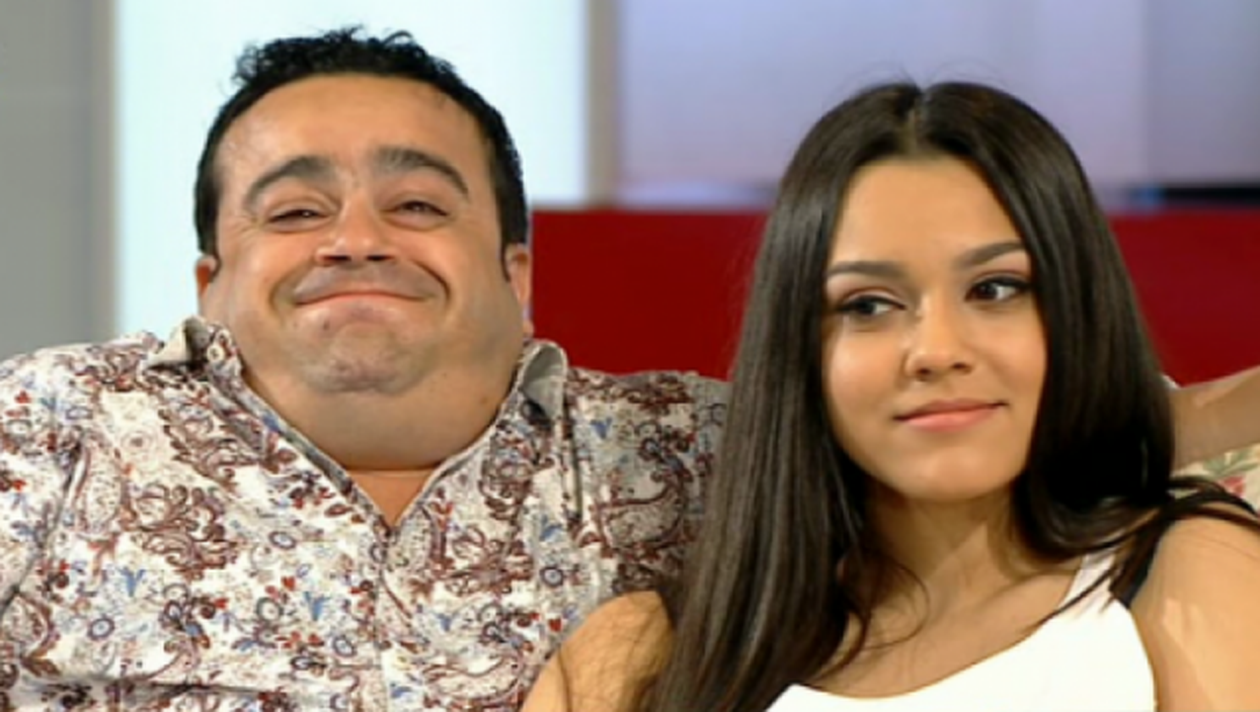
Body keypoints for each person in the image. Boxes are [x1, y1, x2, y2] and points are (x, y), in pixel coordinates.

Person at [0, 28, 1256, 712]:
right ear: (209, 276)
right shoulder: (47, 430)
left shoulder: (673, 449)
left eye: (418, 203)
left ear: (518, 267)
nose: (356, 238)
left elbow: (1002, 412)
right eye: (294, 209)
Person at [522, 81, 1260, 712]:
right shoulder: (638, 658)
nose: (937, 350)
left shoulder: (1187, 569)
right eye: (868, 305)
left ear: (1077, 313)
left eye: (996, 289)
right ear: (799, 349)